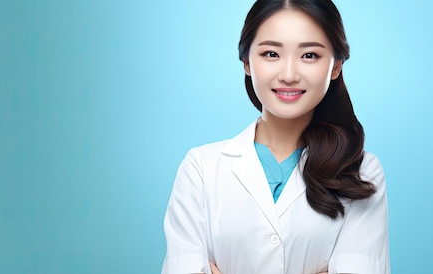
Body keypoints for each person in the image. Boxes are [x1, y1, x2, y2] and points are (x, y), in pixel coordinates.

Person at [161, 0, 390, 273]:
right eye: (271, 54)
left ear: (336, 66)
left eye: (309, 56)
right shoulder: (200, 168)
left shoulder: (362, 173)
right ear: (247, 62)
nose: (289, 74)